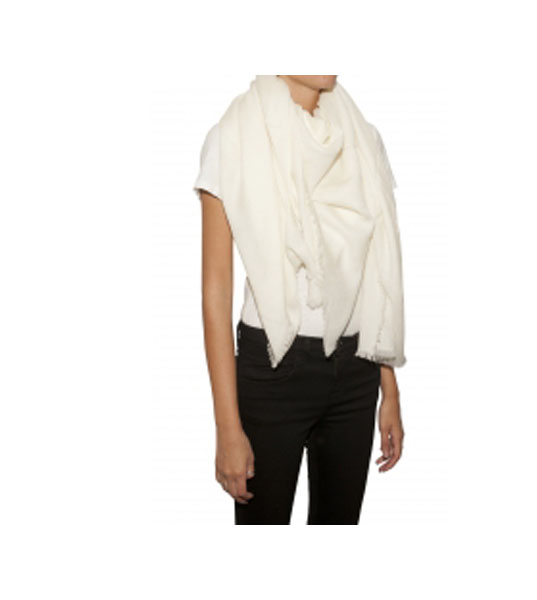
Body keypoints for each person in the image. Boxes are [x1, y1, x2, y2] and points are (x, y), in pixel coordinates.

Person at [193, 75, 406, 525]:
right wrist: (227, 428)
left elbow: (375, 274)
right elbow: (216, 291)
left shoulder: (362, 137)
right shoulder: (232, 137)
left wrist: (389, 388)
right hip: (274, 370)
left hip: (357, 371)